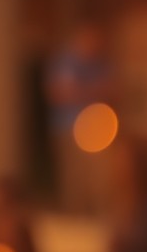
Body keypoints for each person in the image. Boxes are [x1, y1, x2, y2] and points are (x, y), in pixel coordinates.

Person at [46, 21, 113, 214]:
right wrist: (91, 91)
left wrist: (81, 90)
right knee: (73, 177)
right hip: (69, 127)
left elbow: (110, 90)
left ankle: (96, 215)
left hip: (97, 131)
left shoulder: (101, 63)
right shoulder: (66, 62)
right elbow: (61, 92)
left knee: (98, 178)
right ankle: (74, 215)